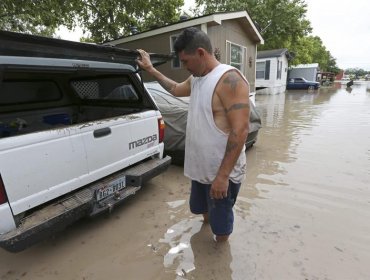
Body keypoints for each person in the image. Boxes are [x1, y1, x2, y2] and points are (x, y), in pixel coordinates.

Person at [136, 27, 250, 242]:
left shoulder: (229, 80)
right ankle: (204, 238)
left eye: (186, 61)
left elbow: (241, 130)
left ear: (200, 53)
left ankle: (217, 261)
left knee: (221, 227)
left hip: (221, 173)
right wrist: (151, 70)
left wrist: (223, 177)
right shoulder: (196, 78)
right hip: (201, 169)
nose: (185, 67)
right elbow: (176, 89)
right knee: (202, 211)